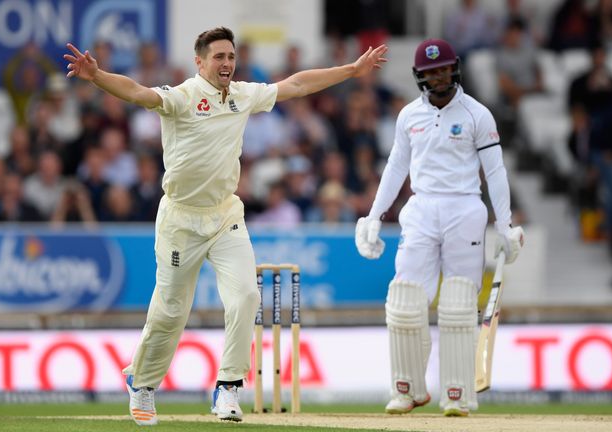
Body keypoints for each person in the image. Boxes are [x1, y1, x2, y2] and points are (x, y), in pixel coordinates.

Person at [64, 27, 387, 425]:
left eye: (231, 57)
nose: (227, 64)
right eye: (218, 57)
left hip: (225, 216)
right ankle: (143, 382)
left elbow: (298, 84)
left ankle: (228, 387)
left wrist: (353, 70)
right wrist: (97, 76)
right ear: (199, 61)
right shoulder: (182, 97)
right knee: (170, 311)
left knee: (246, 297)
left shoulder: (242, 95)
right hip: (181, 219)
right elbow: (137, 92)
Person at [354, 39, 524, 417]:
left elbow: (495, 171)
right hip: (421, 208)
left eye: (444, 68)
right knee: (403, 302)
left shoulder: (478, 114)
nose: (439, 75)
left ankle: (457, 393)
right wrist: (374, 216)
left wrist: (506, 223)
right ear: (420, 76)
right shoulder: (408, 116)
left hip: (465, 208)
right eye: (431, 71)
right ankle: (407, 389)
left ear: (455, 68)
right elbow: (396, 167)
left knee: (459, 305)